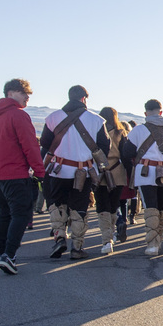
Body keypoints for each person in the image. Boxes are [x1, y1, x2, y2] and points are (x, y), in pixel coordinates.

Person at [0, 78, 46, 274]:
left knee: (4, 214)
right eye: (25, 93)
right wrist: (40, 172)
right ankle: (9, 255)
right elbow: (30, 146)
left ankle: (0, 255)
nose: (27, 98)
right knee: (22, 213)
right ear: (12, 92)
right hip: (14, 173)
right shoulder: (18, 116)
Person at [39, 85, 110, 260]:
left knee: (57, 204)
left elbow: (45, 144)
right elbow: (104, 147)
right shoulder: (96, 120)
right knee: (79, 208)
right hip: (83, 172)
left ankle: (60, 236)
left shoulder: (52, 118)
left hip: (57, 170)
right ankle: (77, 247)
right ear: (85, 99)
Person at [121, 100, 163, 256]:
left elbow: (127, 153)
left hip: (145, 172)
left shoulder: (138, 131)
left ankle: (153, 243)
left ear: (145, 113)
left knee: (151, 207)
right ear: (161, 112)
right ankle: (158, 238)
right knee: (162, 206)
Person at [96, 107, 130, 254]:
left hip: (99, 171)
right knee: (113, 205)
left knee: (102, 206)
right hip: (117, 172)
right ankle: (113, 232)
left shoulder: (96, 131)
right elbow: (126, 155)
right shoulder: (120, 132)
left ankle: (107, 240)